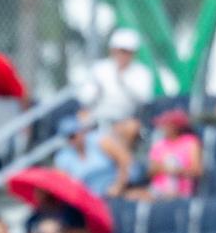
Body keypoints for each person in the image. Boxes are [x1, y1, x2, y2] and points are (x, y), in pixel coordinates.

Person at [84, 28, 153, 188]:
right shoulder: (100, 69)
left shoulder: (141, 73)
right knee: (100, 137)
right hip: (98, 122)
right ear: (113, 50)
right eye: (120, 51)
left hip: (126, 122)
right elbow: (85, 98)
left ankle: (122, 177)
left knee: (130, 128)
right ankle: (127, 169)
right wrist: (97, 91)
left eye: (127, 51)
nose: (123, 55)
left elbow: (144, 99)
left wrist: (123, 81)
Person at [134, 107, 202, 200]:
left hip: (181, 191)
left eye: (166, 125)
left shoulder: (190, 142)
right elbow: (150, 171)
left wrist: (174, 169)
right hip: (157, 190)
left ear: (175, 126)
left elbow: (197, 170)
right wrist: (161, 168)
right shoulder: (158, 145)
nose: (163, 128)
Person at [53, 114, 117, 197]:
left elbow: (123, 160)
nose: (72, 140)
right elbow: (62, 184)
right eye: (68, 137)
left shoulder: (99, 140)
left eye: (73, 136)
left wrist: (118, 187)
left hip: (115, 186)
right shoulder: (63, 158)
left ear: (81, 131)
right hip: (93, 198)